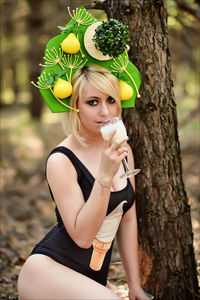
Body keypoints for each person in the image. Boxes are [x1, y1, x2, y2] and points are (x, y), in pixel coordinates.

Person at [18, 7, 152, 300]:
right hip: (49, 270)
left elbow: (127, 218)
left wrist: (135, 285)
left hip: (88, 279)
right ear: (75, 105)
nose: (105, 112)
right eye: (93, 102)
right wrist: (104, 177)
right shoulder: (61, 160)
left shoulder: (123, 148)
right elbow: (80, 237)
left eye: (111, 100)